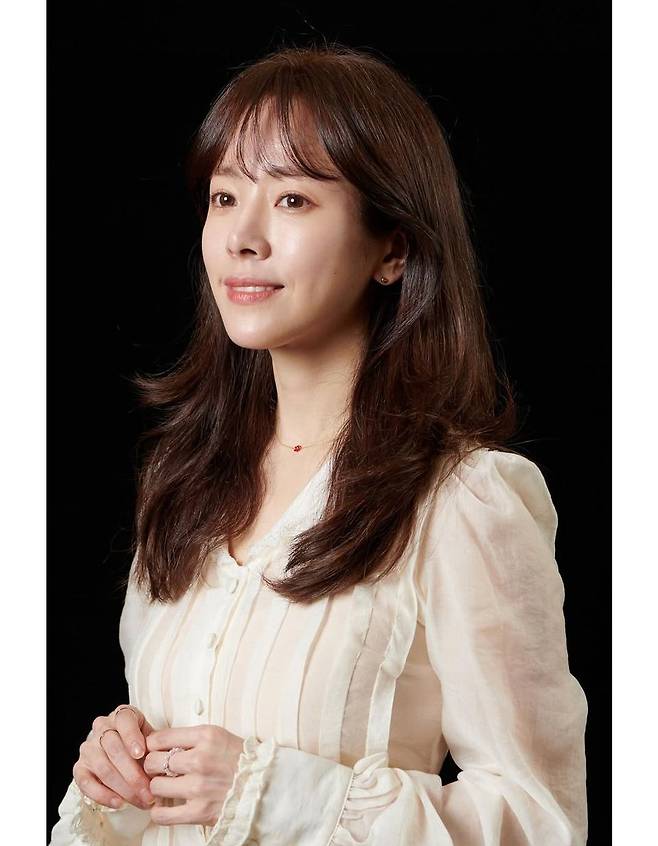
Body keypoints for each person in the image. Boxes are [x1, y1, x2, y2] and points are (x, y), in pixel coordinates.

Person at [49, 42, 588, 846]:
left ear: (393, 248)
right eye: (225, 196)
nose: (243, 236)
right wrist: (118, 778)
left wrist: (281, 794)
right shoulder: (184, 481)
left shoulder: (464, 501)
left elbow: (540, 821)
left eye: (294, 199)